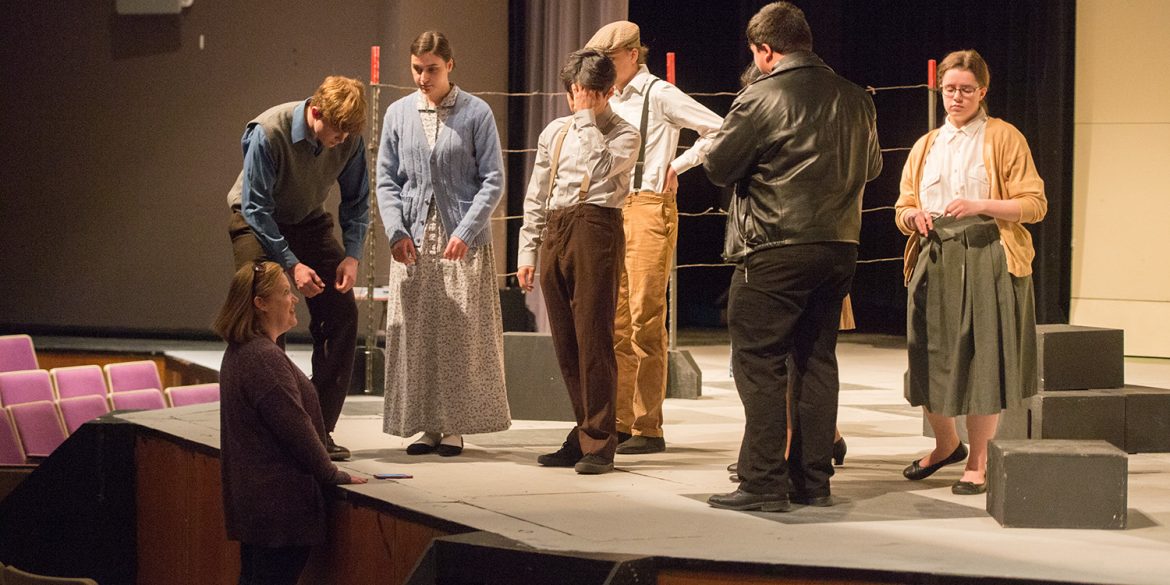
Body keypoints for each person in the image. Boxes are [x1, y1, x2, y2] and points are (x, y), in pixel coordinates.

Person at [703, 1, 882, 512]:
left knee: (758, 362)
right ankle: (813, 481)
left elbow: (718, 166)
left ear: (765, 51)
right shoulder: (854, 98)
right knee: (817, 360)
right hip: (840, 246)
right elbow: (870, 169)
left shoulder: (760, 97)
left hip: (775, 245)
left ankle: (761, 482)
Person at [896, 49, 1046, 495]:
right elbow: (903, 204)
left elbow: (1035, 205)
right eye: (949, 89)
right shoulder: (927, 144)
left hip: (988, 257)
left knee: (983, 358)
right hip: (936, 254)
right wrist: (913, 218)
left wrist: (982, 204)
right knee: (926, 353)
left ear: (983, 91)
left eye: (965, 89)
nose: (956, 97)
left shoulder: (1004, 137)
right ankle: (947, 444)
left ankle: (978, 459)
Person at [583, 21, 724, 455]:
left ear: (630, 54)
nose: (603, 70)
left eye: (608, 61)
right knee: (617, 319)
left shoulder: (658, 93)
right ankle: (621, 420)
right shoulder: (610, 99)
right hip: (612, 206)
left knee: (646, 316)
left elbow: (718, 128)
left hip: (647, 204)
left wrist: (676, 166)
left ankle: (648, 425)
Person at [376, 31, 512, 456]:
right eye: (417, 68)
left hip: (460, 240)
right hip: (414, 241)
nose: (423, 77)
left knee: (459, 334)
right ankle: (426, 425)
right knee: (417, 334)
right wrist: (396, 231)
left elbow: (493, 180)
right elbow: (387, 180)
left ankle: (454, 426)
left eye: (431, 69)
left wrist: (466, 230)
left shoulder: (476, 112)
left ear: (450, 65)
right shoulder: (399, 113)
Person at [226, 75, 369, 461]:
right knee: (265, 309)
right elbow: (256, 208)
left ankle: (316, 428)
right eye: (336, 132)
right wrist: (291, 266)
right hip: (257, 220)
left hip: (306, 219)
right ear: (316, 112)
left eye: (347, 135)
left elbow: (357, 202)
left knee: (342, 311)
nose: (341, 140)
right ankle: (272, 426)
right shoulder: (269, 132)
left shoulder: (349, 138)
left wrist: (351, 257)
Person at [517, 49, 641, 475]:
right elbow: (538, 190)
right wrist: (528, 249)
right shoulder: (555, 131)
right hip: (555, 227)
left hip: (596, 228)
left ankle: (602, 440)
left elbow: (599, 165)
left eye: (587, 94)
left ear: (607, 93)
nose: (577, 102)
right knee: (566, 342)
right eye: (574, 93)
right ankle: (584, 430)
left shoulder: (625, 133)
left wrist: (588, 119)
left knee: (594, 338)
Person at [214, 261, 367, 585]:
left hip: (259, 507)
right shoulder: (262, 358)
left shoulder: (243, 352)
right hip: (277, 511)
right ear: (261, 303)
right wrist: (331, 474)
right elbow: (295, 427)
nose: (294, 298)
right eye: (285, 292)